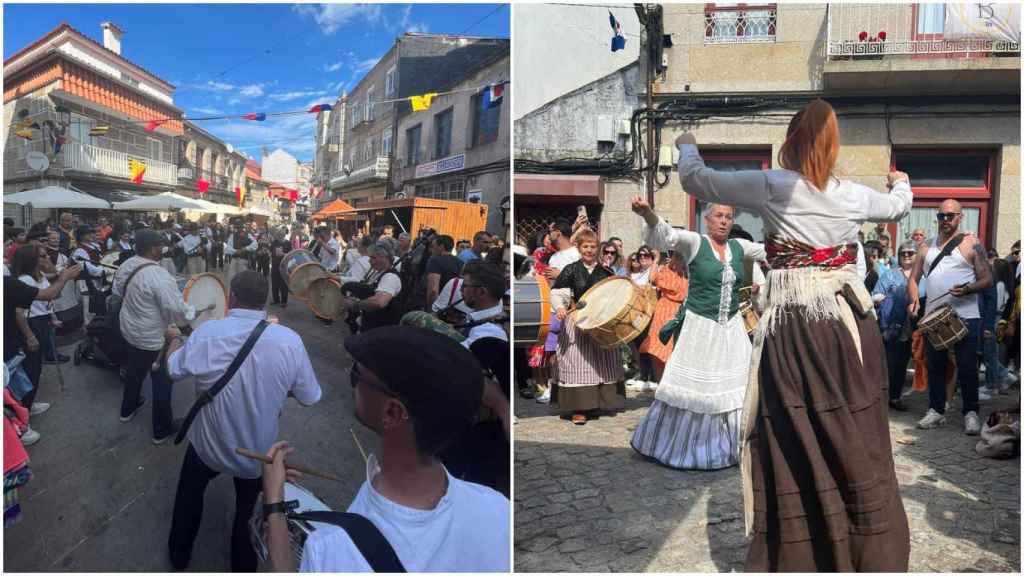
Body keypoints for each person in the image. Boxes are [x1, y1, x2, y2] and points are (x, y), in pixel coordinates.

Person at [675, 99, 912, 571]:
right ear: (832, 143)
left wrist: (686, 145)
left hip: (798, 327)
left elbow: (695, 180)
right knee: (854, 430)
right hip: (849, 326)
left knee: (794, 430)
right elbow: (899, 208)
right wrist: (902, 180)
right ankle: (866, 551)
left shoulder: (773, 186)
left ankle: (804, 551)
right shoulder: (853, 195)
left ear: (791, 141)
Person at [260, 326, 509, 572]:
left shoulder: (332, 550)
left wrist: (274, 503)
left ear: (392, 412)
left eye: (356, 375)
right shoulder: (497, 510)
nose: (352, 379)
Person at [165, 270, 320, 571]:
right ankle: (243, 567)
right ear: (264, 302)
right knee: (248, 513)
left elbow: (173, 370)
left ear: (231, 297)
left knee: (189, 499)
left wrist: (174, 340)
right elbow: (310, 396)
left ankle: (179, 555)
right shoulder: (290, 341)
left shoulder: (208, 333)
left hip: (207, 448)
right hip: (257, 454)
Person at [630, 201, 765, 469]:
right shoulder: (695, 242)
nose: (724, 221)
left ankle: (732, 445)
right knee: (695, 388)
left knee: (735, 386)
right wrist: (647, 213)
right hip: (700, 327)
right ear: (707, 219)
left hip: (731, 328)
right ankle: (683, 446)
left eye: (729, 217)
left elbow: (771, 249)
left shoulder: (740, 247)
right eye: (719, 216)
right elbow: (667, 235)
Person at [112, 230, 207, 444]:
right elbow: (179, 311)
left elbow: (117, 291)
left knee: (135, 371)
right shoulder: (160, 276)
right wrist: (195, 311)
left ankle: (127, 409)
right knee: (162, 382)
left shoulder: (127, 265)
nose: (163, 249)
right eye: (160, 246)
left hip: (130, 329)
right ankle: (161, 429)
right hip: (153, 337)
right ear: (153, 248)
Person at [908, 199, 993, 433]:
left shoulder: (971, 244)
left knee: (967, 367)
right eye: (941, 216)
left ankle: (971, 413)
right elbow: (913, 279)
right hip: (934, 317)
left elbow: (987, 279)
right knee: (935, 366)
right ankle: (936, 411)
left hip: (966, 315)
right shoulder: (925, 247)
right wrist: (914, 300)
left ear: (960, 217)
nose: (945, 220)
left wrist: (968, 289)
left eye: (950, 216)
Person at [550, 228, 624, 425]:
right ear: (579, 247)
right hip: (577, 321)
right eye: (586, 246)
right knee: (577, 362)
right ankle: (579, 408)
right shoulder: (571, 269)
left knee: (602, 362)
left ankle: (598, 403)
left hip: (601, 322)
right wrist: (559, 307)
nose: (589, 250)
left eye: (593, 247)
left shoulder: (606, 271)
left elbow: (616, 294)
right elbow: (560, 292)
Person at [11, 245, 63, 415]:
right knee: (31, 367)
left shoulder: (38, 275)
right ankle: (23, 411)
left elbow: (50, 297)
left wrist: (52, 317)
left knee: (36, 365)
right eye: (41, 256)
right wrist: (30, 336)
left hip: (41, 320)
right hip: (31, 323)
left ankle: (29, 404)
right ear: (31, 260)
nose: (46, 257)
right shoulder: (25, 280)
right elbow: (19, 312)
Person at [636, 247, 689, 388]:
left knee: (659, 347)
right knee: (671, 348)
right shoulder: (690, 272)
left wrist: (656, 261)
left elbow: (653, 279)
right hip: (682, 309)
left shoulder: (669, 269)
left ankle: (662, 384)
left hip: (667, 309)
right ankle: (670, 385)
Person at [873, 241, 917, 411]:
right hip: (891, 326)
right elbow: (875, 295)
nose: (906, 256)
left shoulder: (921, 275)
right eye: (903, 253)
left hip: (913, 327)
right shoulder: (889, 275)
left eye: (910, 253)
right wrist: (882, 298)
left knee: (902, 365)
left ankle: (895, 397)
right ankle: (882, 398)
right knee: (888, 364)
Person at [342, 241, 403, 332]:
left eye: (373, 257)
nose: (370, 261)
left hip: (380, 330)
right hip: (370, 327)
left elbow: (379, 302)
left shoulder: (390, 277)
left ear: (385, 258)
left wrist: (355, 305)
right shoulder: (378, 273)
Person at [71, 226, 107, 326]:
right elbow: (87, 267)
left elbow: (101, 261)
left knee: (96, 304)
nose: (92, 235)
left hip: (96, 281)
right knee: (88, 306)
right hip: (85, 281)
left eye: (92, 233)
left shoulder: (95, 246)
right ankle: (88, 327)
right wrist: (104, 271)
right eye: (88, 233)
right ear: (82, 236)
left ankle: (96, 325)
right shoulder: (79, 250)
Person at [424, 235, 464, 306]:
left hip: (438, 305)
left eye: (433, 246)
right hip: (450, 306)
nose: (431, 249)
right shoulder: (461, 263)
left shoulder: (435, 261)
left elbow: (433, 290)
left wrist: (432, 308)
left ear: (441, 246)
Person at [269, 229, 292, 307]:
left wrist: (284, 254)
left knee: (284, 284)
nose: (279, 235)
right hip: (275, 265)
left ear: (284, 234)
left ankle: (284, 301)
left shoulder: (288, 243)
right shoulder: (274, 242)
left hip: (284, 266)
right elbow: (271, 252)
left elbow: (291, 254)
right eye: (278, 234)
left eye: (281, 234)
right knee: (275, 283)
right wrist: (273, 253)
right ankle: (276, 300)